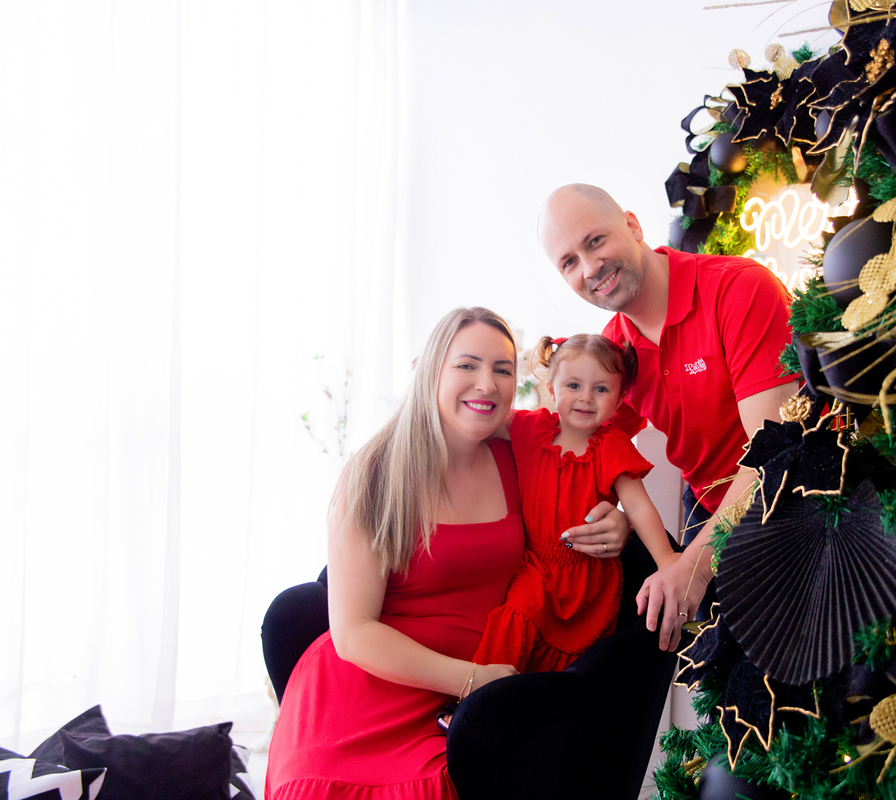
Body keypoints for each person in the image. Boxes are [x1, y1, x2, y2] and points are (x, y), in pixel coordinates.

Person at [263, 307, 675, 800]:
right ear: (432, 369)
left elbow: (577, 481)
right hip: (368, 692)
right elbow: (353, 635)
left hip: (471, 705)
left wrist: (616, 521)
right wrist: (475, 679)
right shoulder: (374, 474)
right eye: (467, 365)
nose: (487, 384)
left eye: (503, 370)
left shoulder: (516, 456)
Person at [538, 184, 798, 651]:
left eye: (595, 241)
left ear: (633, 226)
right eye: (569, 262)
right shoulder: (612, 352)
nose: (590, 268)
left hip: (796, 500)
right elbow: (582, 453)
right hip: (709, 513)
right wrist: (616, 519)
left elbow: (776, 453)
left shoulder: (738, 288)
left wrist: (695, 564)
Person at [472, 334, 679, 675]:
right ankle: (478, 695)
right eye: (573, 385)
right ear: (552, 389)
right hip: (536, 567)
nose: (586, 398)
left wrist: (666, 560)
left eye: (601, 389)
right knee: (517, 617)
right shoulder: (529, 428)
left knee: (575, 667)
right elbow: (484, 421)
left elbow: (639, 508)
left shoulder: (611, 446)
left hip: (586, 580)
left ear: (619, 398)